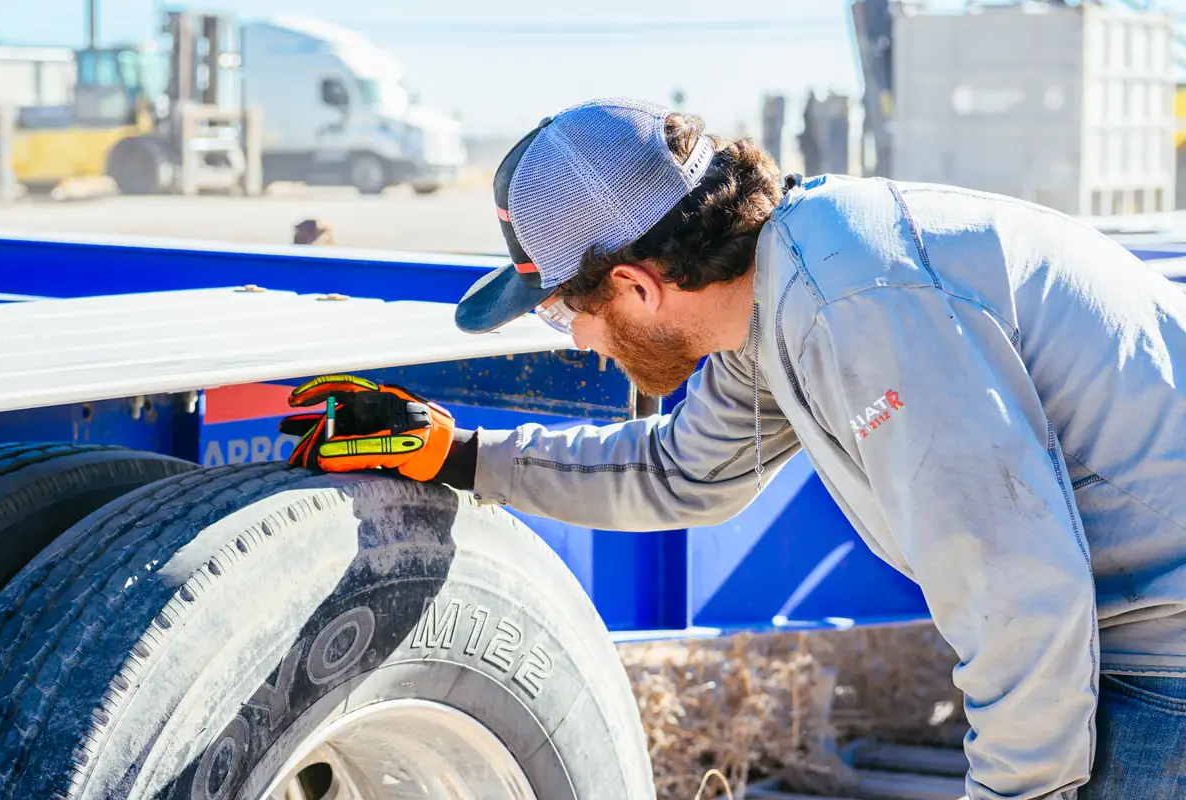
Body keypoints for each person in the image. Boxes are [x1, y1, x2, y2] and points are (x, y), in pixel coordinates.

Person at [278, 97, 1186, 799]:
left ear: (634, 285)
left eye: (568, 312)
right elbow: (678, 473)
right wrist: (463, 457)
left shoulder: (852, 307)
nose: (580, 343)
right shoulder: (784, 288)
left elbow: (1018, 593)